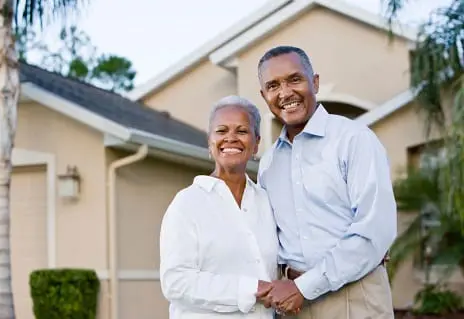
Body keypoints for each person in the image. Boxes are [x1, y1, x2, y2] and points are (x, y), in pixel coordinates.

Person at [255, 45, 397, 319]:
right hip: (293, 304)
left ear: (315, 82)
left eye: (294, 79)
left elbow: (373, 233)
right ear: (264, 96)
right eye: (273, 85)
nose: (285, 93)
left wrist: (305, 287)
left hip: (354, 297)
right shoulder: (268, 164)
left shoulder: (354, 139)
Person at [159, 95, 280, 318]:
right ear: (210, 142)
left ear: (256, 143)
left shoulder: (266, 201)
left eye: (242, 131)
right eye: (221, 131)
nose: (231, 138)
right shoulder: (187, 203)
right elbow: (175, 282)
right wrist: (250, 289)